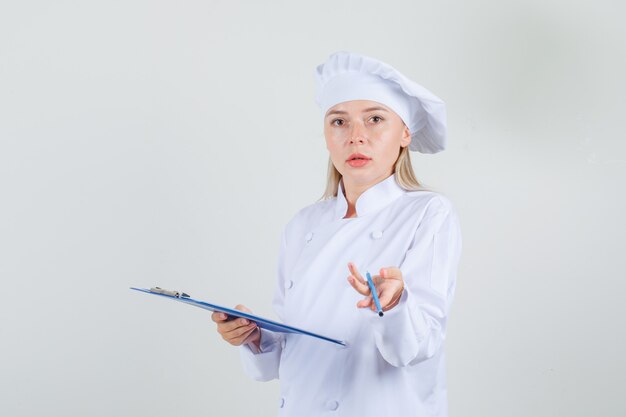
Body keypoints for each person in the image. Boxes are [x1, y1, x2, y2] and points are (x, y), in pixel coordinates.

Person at [211, 51, 462, 417]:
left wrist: (394, 305)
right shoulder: (302, 225)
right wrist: (254, 336)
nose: (356, 137)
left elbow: (418, 345)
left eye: (375, 119)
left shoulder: (428, 213)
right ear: (326, 135)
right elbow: (285, 348)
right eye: (339, 122)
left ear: (405, 133)